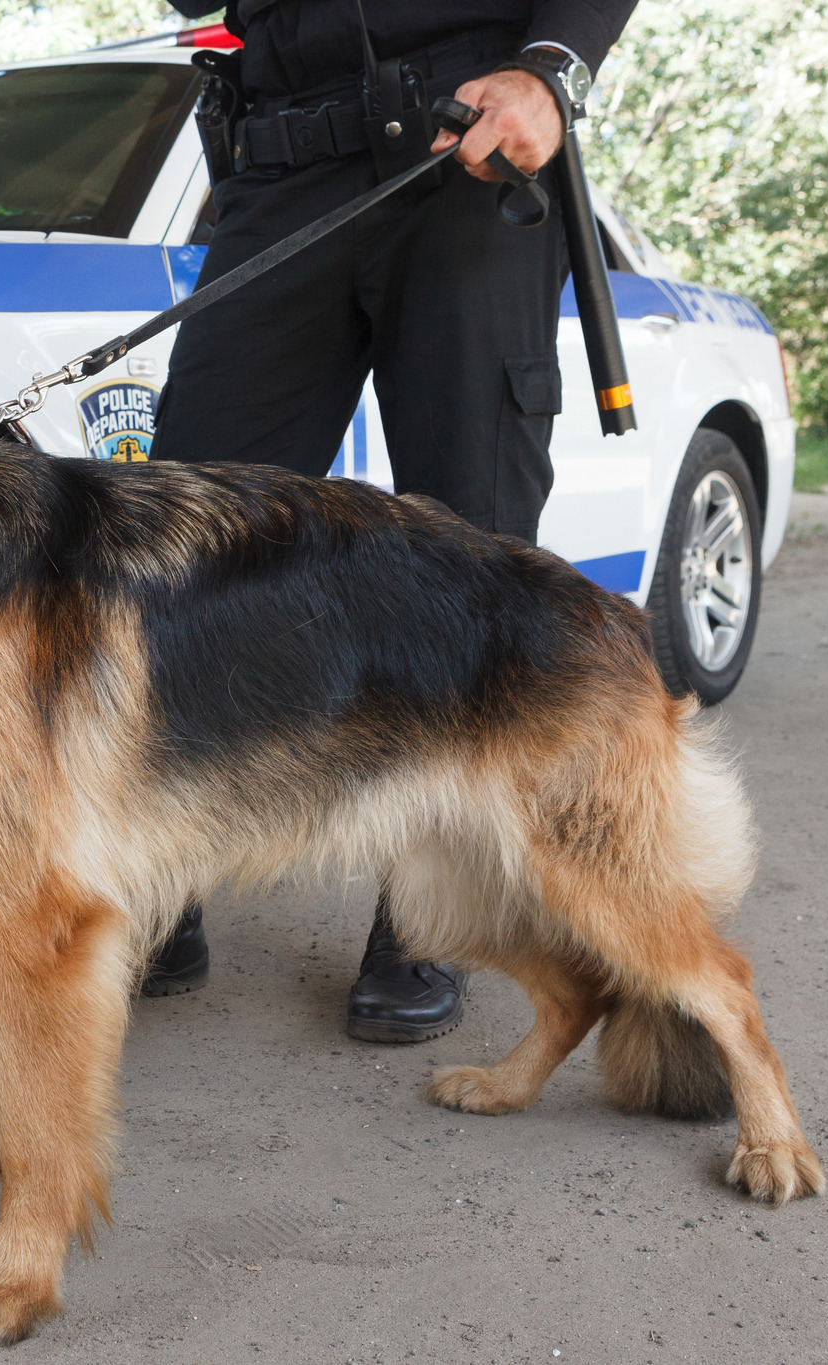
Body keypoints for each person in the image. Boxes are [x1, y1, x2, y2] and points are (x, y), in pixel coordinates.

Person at [138, 0, 638, 1043]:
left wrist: (551, 70)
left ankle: (426, 909)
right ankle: (158, 878)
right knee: (184, 546)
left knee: (465, 559)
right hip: (277, 161)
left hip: (466, 140)